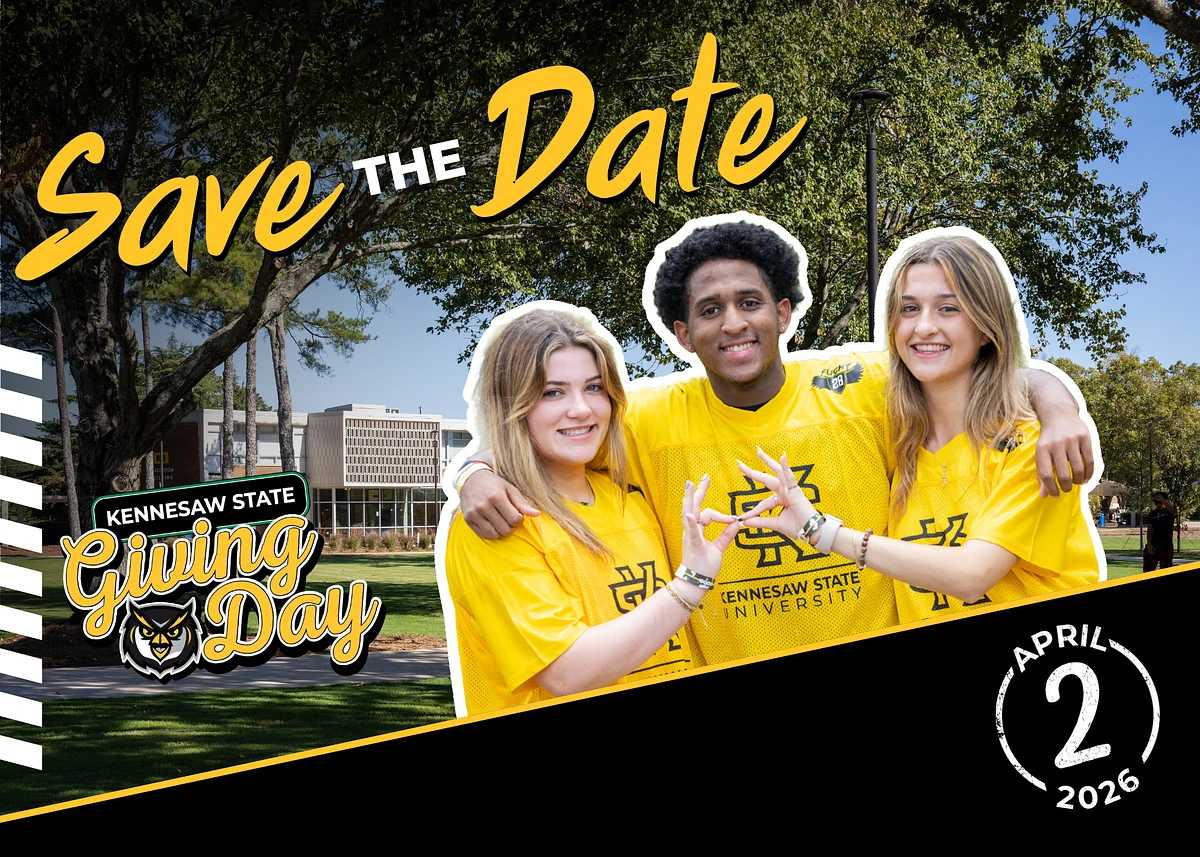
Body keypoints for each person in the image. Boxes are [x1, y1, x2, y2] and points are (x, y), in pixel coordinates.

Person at [457, 214, 1096, 663]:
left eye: (750, 302)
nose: (733, 322)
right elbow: (553, 422)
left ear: (784, 312)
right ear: (682, 334)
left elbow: (973, 366)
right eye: (709, 310)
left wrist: (1059, 406)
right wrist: (474, 471)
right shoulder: (646, 418)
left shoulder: (864, 384)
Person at [727, 229, 1103, 622]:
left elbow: (972, 575)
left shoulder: (1028, 441)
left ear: (987, 328)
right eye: (909, 309)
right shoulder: (895, 437)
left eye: (948, 308)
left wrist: (824, 533)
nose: (923, 327)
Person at [439, 306, 739, 716]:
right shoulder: (499, 522)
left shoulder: (625, 493)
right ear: (513, 405)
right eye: (552, 392)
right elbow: (567, 671)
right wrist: (691, 582)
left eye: (594, 387)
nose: (581, 408)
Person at [1144, 491, 1178, 572]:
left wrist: (1163, 500)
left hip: (1166, 546)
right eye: (1156, 502)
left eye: (1159, 502)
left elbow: (1175, 513)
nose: (1157, 504)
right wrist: (1149, 544)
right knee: (1147, 571)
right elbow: (1149, 530)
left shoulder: (1169, 512)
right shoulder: (1152, 514)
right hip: (1153, 545)